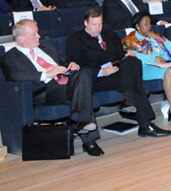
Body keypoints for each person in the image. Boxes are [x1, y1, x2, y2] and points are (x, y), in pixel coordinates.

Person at [1, 20, 103, 156]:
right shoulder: (9, 56)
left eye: (37, 32)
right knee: (80, 91)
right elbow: (15, 75)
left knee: (79, 75)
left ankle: (83, 120)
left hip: (65, 82)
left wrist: (72, 64)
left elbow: (64, 63)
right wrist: (47, 74)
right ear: (21, 38)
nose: (39, 36)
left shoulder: (47, 47)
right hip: (44, 90)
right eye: (34, 34)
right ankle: (88, 138)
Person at [67, 9, 171, 137]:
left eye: (100, 24)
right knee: (134, 81)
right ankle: (144, 122)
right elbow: (78, 67)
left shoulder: (111, 36)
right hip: (98, 78)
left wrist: (128, 55)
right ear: (85, 23)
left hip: (118, 72)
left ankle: (130, 101)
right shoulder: (75, 39)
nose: (98, 28)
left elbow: (121, 57)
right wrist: (101, 72)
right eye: (94, 25)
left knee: (132, 60)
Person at [122, 12, 171, 124]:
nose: (149, 26)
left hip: (164, 64)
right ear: (137, 26)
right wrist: (153, 58)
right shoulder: (130, 39)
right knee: (168, 70)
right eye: (145, 24)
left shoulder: (154, 35)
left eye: (150, 23)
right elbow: (132, 56)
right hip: (145, 67)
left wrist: (159, 38)